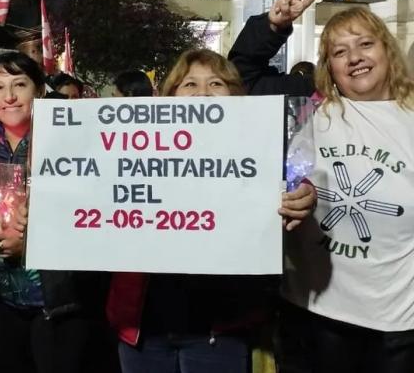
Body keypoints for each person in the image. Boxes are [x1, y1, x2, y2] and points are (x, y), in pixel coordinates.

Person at [108, 48, 317, 373]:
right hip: (145, 329)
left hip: (221, 330)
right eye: (190, 84)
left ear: (235, 95)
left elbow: (293, 183)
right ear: (170, 96)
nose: (203, 93)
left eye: (216, 83)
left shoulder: (259, 155)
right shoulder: (132, 153)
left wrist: (303, 195)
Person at [279, 7, 414, 373]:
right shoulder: (314, 115)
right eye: (340, 52)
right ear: (330, 68)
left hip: (395, 323)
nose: (354, 58)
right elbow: (293, 177)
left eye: (365, 44)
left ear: (386, 49)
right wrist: (297, 193)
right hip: (313, 313)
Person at [0, 51, 109, 373]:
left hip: (57, 302)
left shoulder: (69, 144)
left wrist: (31, 242)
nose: (10, 97)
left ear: (40, 91)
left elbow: (88, 217)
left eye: (20, 84)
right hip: (2, 300)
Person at [227, 0, 323, 96]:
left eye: (356, 46)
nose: (353, 59)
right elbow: (243, 73)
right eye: (341, 51)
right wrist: (273, 26)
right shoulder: (304, 89)